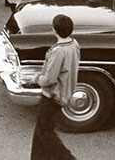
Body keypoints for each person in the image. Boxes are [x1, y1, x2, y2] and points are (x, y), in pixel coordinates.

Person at [30, 14, 80, 160]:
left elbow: (49, 78)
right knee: (40, 130)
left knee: (44, 132)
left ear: (54, 30)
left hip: (52, 96)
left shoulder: (58, 51)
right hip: (65, 92)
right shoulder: (74, 44)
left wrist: (36, 78)